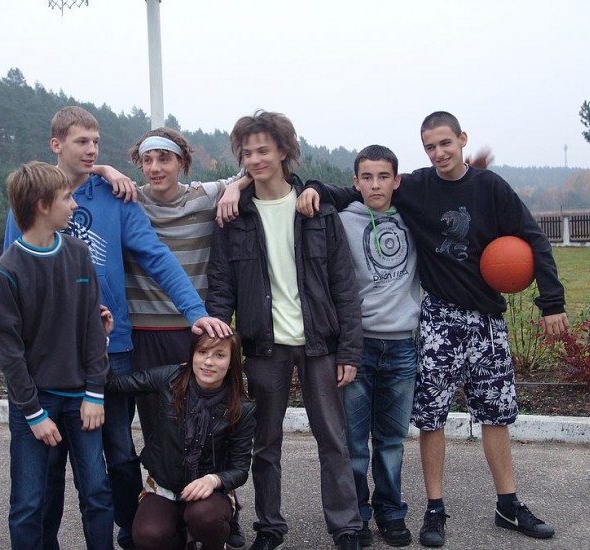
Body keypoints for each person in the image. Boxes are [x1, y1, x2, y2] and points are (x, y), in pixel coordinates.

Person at [297, 111, 568, 548]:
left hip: (487, 319)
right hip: (439, 319)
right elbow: (359, 189)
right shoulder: (415, 186)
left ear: (462, 139)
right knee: (431, 418)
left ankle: (508, 503)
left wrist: (551, 301)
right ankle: (434, 508)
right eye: (430, 147)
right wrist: (312, 185)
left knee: (496, 415)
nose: (439, 152)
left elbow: (532, 237)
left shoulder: (491, 187)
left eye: (445, 143)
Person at [3, 106, 233, 550]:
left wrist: (194, 312)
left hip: (112, 350)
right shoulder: (32, 198)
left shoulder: (115, 195)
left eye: (96, 142)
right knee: (47, 468)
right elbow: (17, 281)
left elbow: (156, 256)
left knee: (120, 455)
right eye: (82, 142)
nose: (92, 150)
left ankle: (132, 535)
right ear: (56, 146)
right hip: (48, 359)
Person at [206, 110, 364, 550]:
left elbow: (344, 287)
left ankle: (346, 527)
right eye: (247, 152)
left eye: (263, 150)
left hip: (320, 345)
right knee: (264, 443)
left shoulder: (318, 209)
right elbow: (221, 288)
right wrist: (216, 344)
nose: (255, 159)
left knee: (333, 440)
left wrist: (350, 352)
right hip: (264, 347)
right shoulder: (233, 216)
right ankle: (270, 527)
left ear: (283, 151)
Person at [101, 127, 251, 548]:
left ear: (182, 162)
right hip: (144, 333)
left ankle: (223, 508)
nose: (155, 168)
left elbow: (255, 169)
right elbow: (71, 173)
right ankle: (164, 511)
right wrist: (105, 168)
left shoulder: (205, 196)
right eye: (147, 160)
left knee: (214, 423)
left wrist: (235, 187)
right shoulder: (127, 199)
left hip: (194, 333)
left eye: (164, 158)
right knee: (160, 429)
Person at [0, 161, 113, 550]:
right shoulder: (7, 270)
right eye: (67, 197)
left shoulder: (78, 254)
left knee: (97, 493)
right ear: (43, 205)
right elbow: (9, 352)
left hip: (82, 401)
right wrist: (33, 413)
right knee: (30, 503)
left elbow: (93, 328)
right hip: (35, 405)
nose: (74, 205)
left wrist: (95, 392)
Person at [105, 332, 256, 550]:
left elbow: (240, 469)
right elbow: (114, 384)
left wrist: (213, 480)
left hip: (209, 493)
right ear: (192, 355)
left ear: (232, 362)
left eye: (220, 355)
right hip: (164, 486)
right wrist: (101, 338)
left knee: (205, 517)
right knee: (148, 535)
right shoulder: (170, 377)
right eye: (202, 352)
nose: (208, 362)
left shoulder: (242, 408)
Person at [338, 145, 419, 548]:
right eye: (367, 177)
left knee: (391, 441)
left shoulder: (414, 219)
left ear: (396, 180)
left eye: (383, 176)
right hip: (359, 346)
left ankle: (390, 511)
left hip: (402, 346)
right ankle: (356, 515)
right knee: (354, 443)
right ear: (355, 182)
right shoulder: (341, 221)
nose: (375, 185)